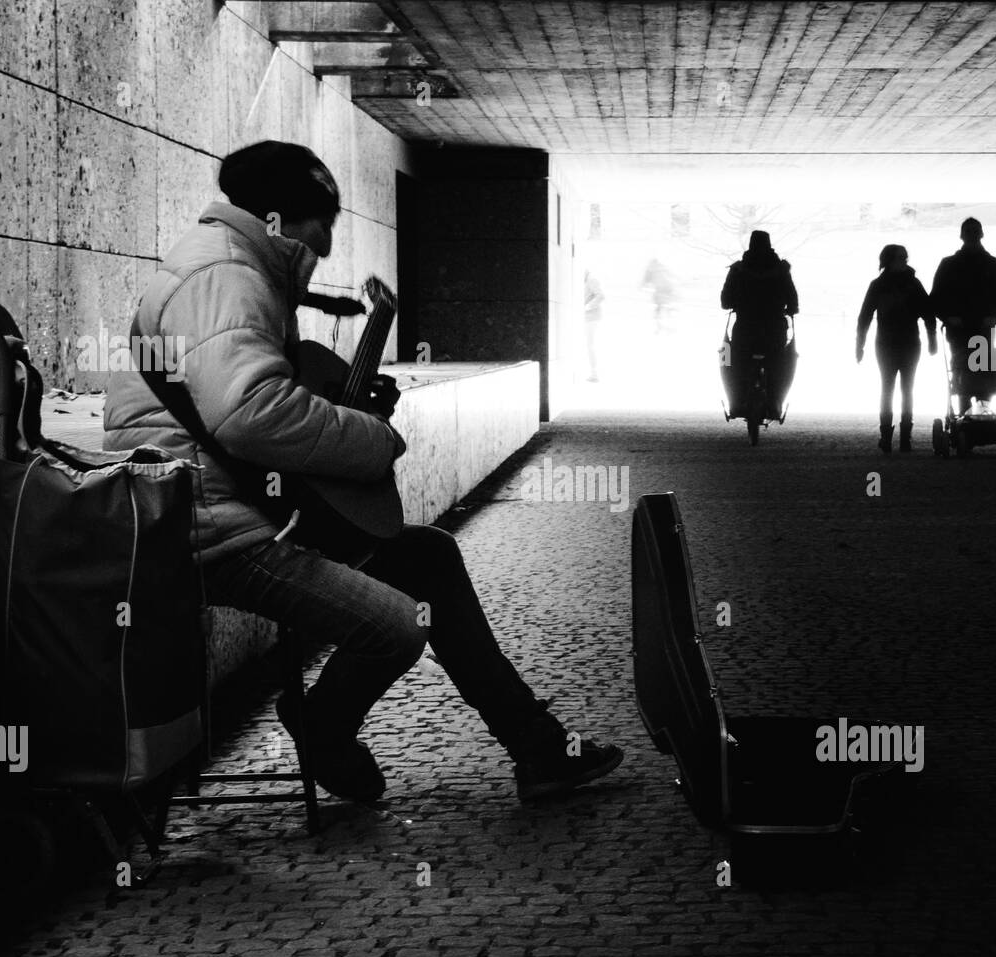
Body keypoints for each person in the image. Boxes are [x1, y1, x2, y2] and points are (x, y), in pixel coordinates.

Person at [103, 141, 622, 803]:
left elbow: (248, 400)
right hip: (211, 532)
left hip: (231, 506)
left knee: (428, 557)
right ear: (283, 218)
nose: (327, 239)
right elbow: (250, 414)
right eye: (322, 220)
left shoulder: (235, 268)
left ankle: (537, 747)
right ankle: (321, 724)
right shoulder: (225, 277)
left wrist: (337, 406)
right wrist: (373, 441)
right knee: (396, 627)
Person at [855, 244, 937, 452]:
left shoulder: (879, 285)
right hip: (902, 343)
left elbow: (865, 316)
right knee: (898, 388)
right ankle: (902, 438)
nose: (904, 261)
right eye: (901, 258)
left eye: (905, 257)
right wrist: (931, 338)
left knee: (895, 388)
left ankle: (890, 437)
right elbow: (927, 313)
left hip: (891, 343)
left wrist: (861, 344)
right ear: (890, 260)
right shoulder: (913, 284)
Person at [929, 218, 996, 414]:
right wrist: (994, 317)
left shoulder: (950, 264)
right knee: (977, 370)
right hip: (972, 327)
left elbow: (936, 298)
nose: (972, 235)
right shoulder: (993, 264)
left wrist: (948, 318)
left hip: (967, 327)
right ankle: (977, 413)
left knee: (965, 370)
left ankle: (969, 416)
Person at [719, 230, 799, 420]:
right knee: (782, 361)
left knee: (728, 357)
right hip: (774, 331)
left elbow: (725, 301)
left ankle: (737, 399)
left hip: (745, 330)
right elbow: (793, 300)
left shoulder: (738, 270)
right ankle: (774, 402)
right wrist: (790, 309)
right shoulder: (782, 270)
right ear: (769, 245)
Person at [583, 270, 604, 382]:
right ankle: (593, 372)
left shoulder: (591, 279)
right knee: (589, 345)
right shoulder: (587, 279)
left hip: (592, 318)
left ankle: (595, 373)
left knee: (590, 345)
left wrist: (587, 307)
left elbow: (601, 296)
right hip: (589, 318)